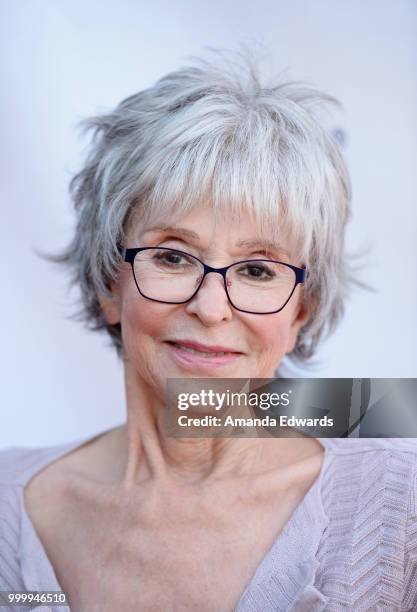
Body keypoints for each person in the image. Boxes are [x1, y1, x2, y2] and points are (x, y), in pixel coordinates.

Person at [1, 51, 417, 612]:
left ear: (300, 312)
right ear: (108, 284)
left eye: (258, 270)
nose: (211, 307)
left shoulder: (400, 507)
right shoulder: (10, 505)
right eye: (172, 258)